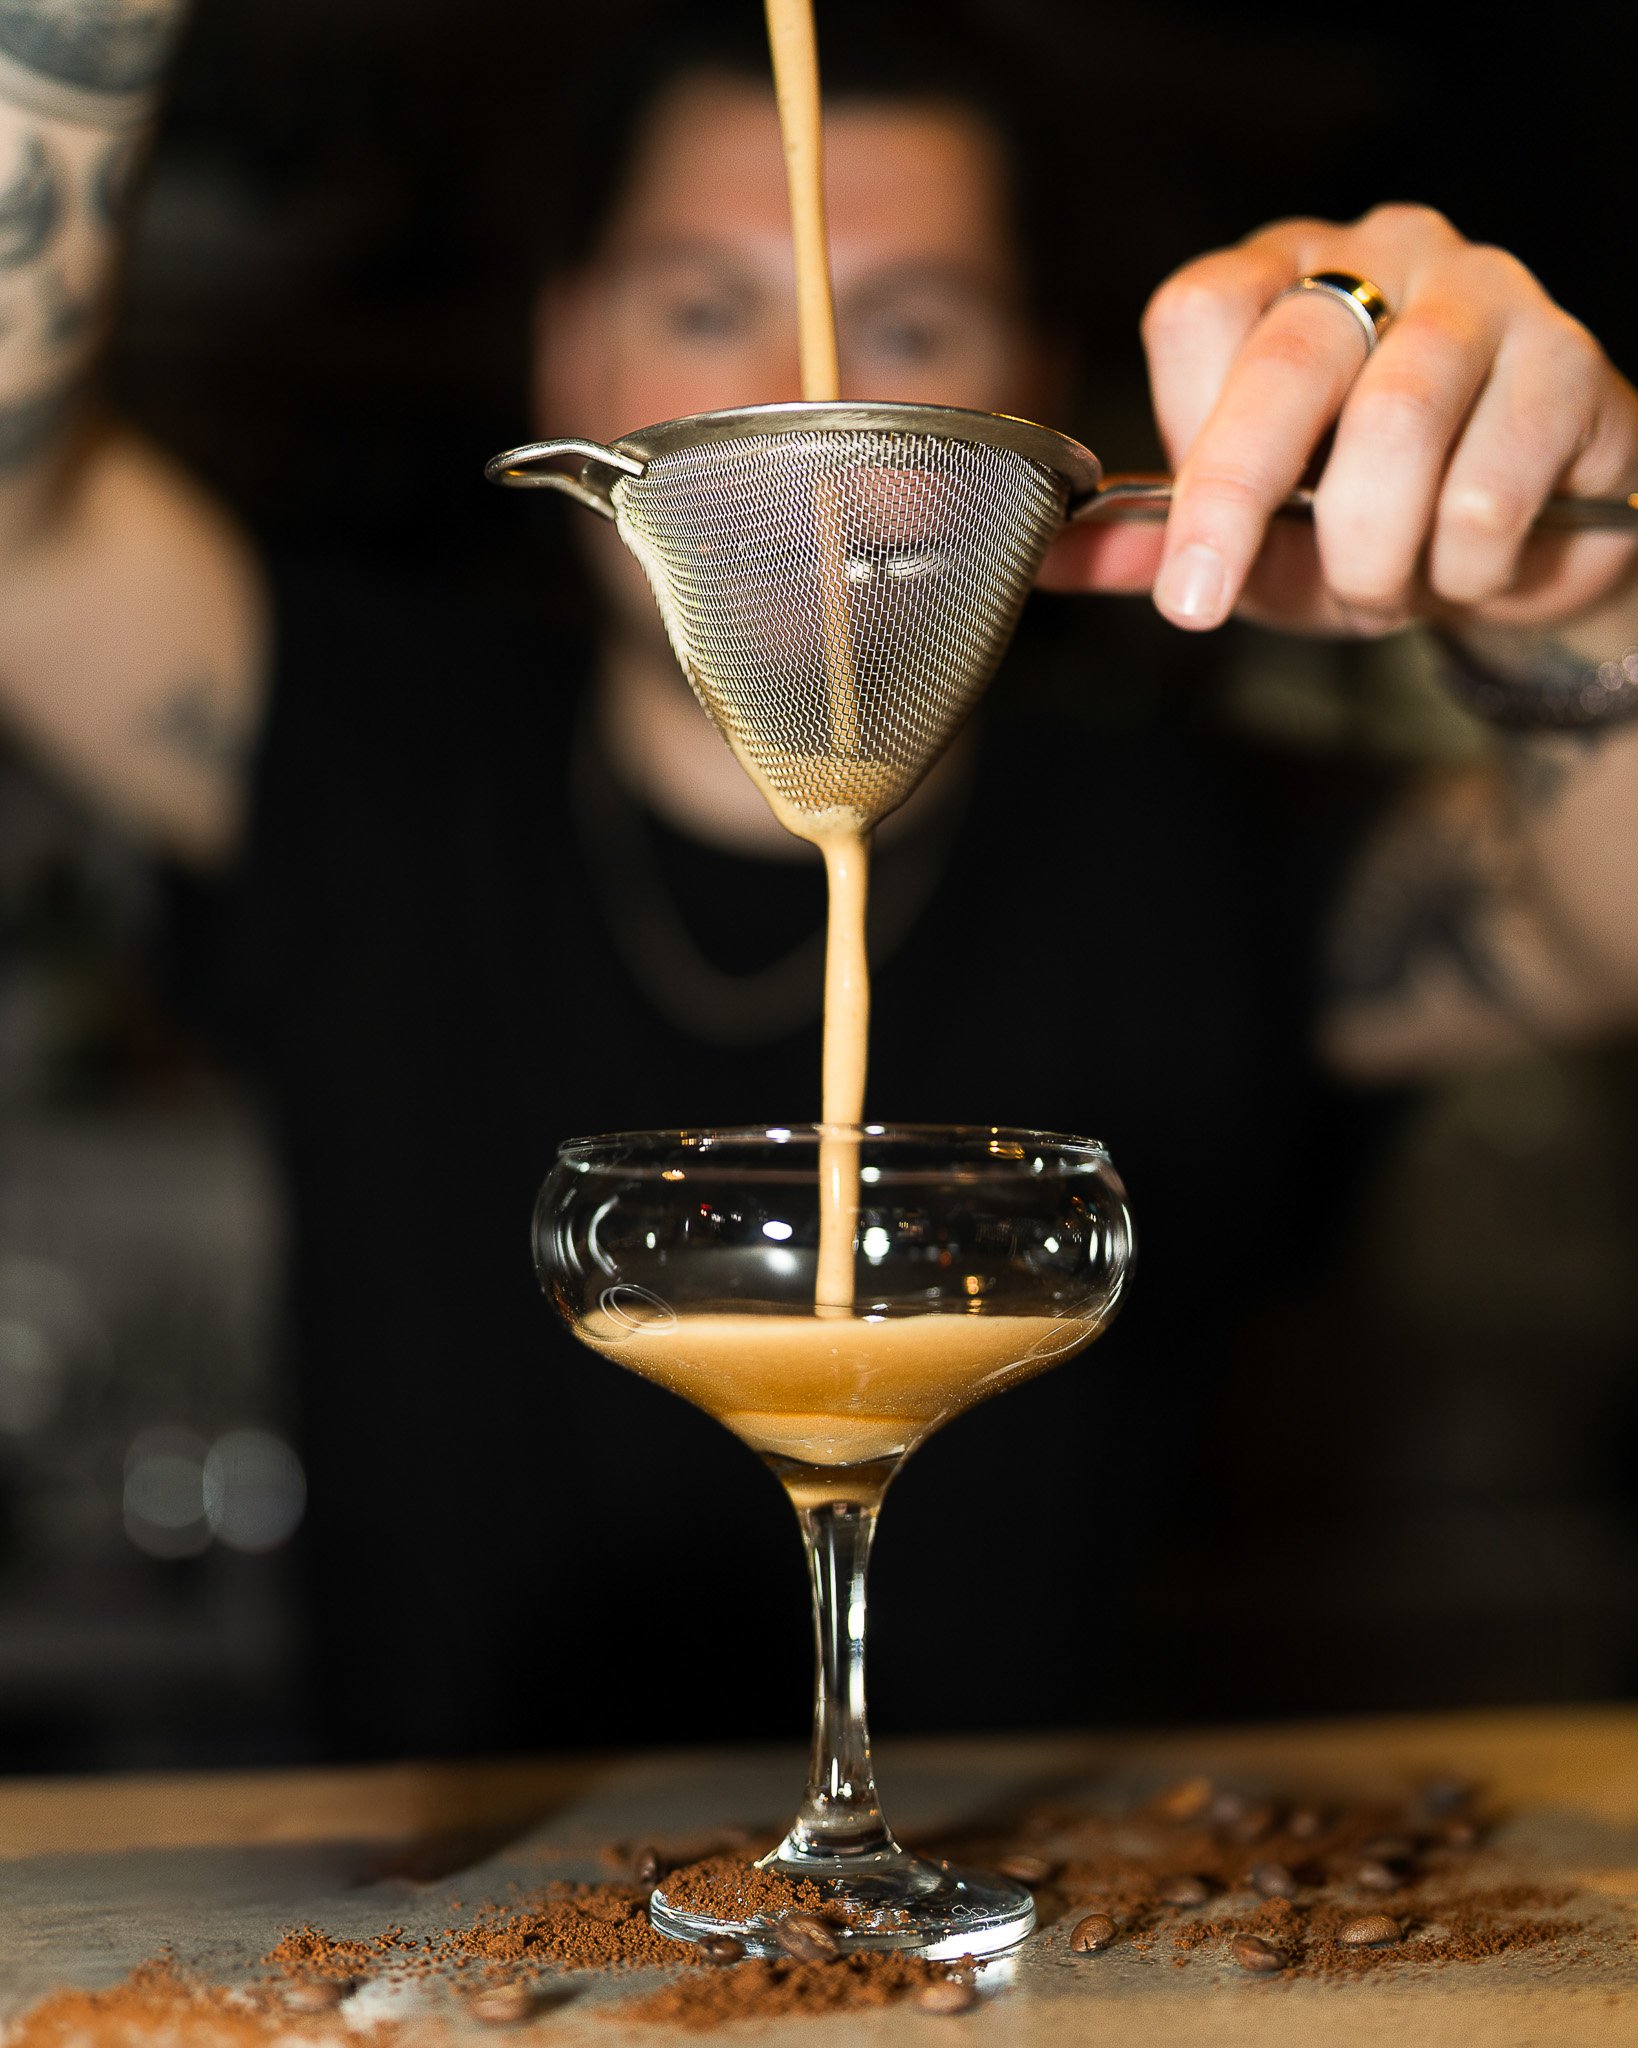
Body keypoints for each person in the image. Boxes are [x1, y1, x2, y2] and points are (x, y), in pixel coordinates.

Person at [0, 0, 1634, 1757]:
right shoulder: (363, 757)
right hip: (432, 1960)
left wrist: (1580, 610)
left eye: (909, 322)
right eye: (705, 306)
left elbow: (1592, 928)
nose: (805, 405)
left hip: (1048, 1981)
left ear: (1037, 388)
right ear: (565, 356)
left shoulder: (1180, 849)